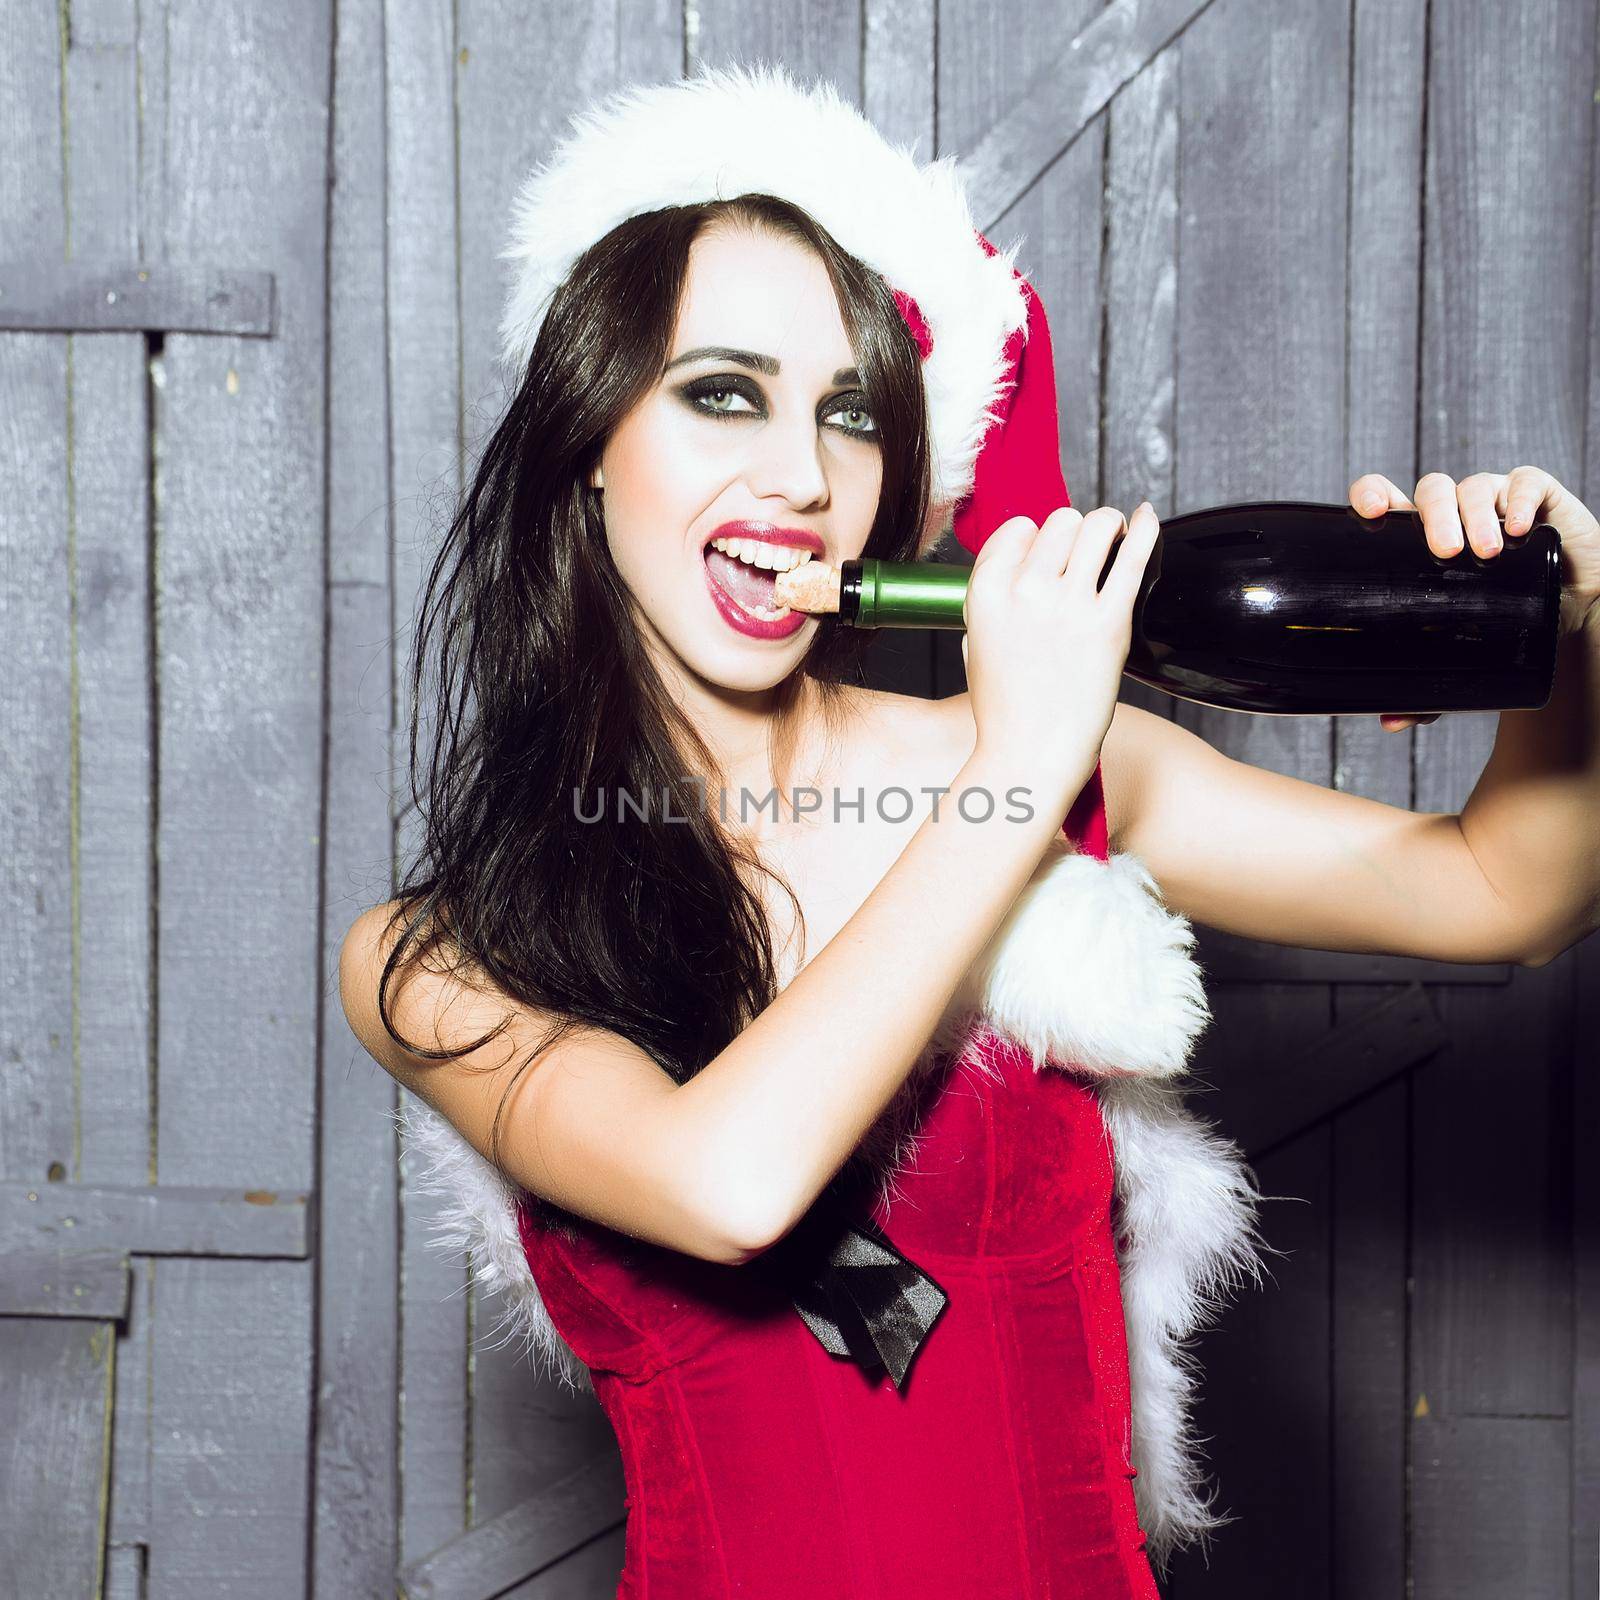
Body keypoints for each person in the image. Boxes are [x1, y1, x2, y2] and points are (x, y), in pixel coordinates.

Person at [340, 61, 1270, 1596]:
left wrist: (1551, 632)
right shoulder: (435, 959)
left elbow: (1505, 888)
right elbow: (729, 1185)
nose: (799, 476)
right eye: (722, 395)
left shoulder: (1054, 765)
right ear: (589, 442)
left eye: (849, 414)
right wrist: (1013, 773)